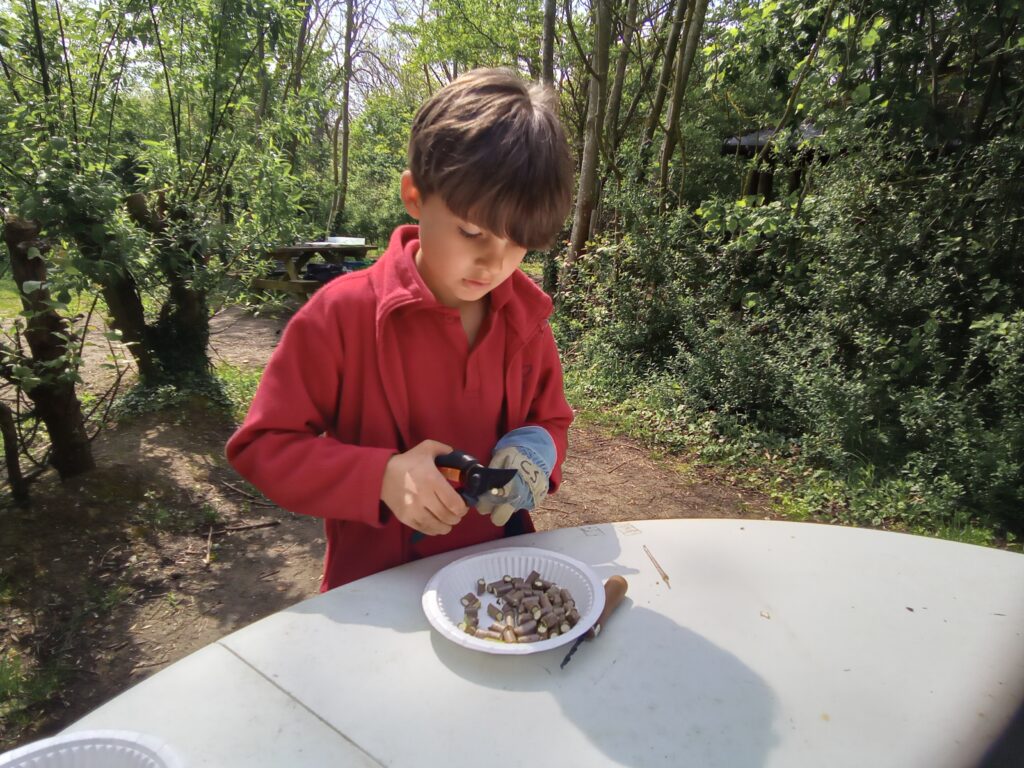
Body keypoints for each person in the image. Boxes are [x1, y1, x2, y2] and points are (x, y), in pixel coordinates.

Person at [226, 68, 576, 590]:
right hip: (377, 588)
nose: (493, 262)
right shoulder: (342, 316)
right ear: (415, 196)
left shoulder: (526, 321)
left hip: (502, 579)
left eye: (518, 242)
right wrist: (380, 477)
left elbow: (552, 419)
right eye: (472, 231)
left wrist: (539, 450)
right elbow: (262, 446)